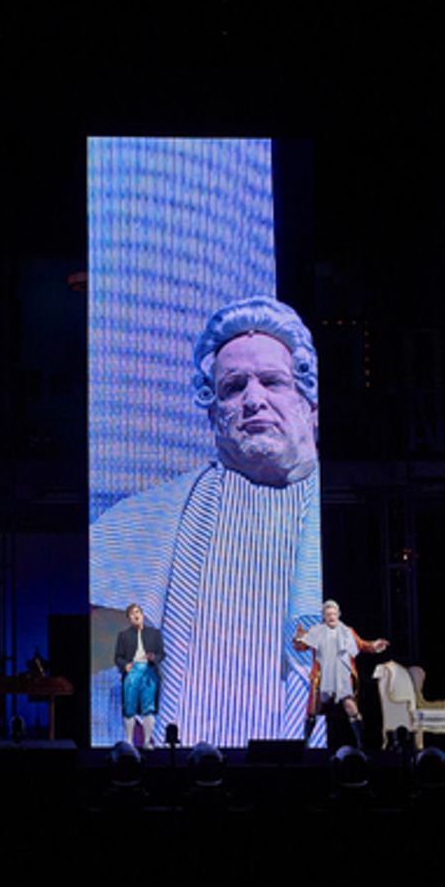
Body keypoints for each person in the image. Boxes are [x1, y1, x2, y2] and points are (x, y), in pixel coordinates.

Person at [91, 295, 321, 746]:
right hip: (174, 777)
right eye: (234, 387)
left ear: (309, 404)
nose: (253, 400)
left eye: (272, 382)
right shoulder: (139, 521)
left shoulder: (344, 520)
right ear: (212, 410)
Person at [292, 599, 389, 747]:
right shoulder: (316, 631)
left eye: (334, 614)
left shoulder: (347, 631)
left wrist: (375, 645)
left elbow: (362, 645)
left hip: (342, 676)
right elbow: (301, 646)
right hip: (322, 677)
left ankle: (361, 744)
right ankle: (305, 745)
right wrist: (298, 637)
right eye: (328, 614)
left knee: (350, 706)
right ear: (324, 616)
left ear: (338, 615)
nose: (331, 617)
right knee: (313, 711)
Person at [114, 603, 164, 747]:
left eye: (137, 612)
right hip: (132, 671)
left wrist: (153, 657)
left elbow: (162, 654)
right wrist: (125, 665)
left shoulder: (154, 634)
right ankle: (129, 741)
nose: (135, 616)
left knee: (149, 708)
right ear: (129, 618)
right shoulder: (123, 636)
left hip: (149, 670)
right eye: (132, 614)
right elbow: (118, 657)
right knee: (129, 707)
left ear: (142, 614)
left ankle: (147, 741)